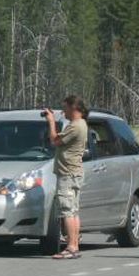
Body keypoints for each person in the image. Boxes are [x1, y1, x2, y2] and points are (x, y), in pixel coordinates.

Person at [43, 95, 89, 259]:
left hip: (67, 174)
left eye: (65, 108)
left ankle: (70, 247)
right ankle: (74, 245)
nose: (63, 112)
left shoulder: (75, 126)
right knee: (74, 211)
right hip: (75, 172)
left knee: (67, 211)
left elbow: (55, 141)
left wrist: (51, 121)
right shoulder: (81, 124)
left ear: (74, 108)